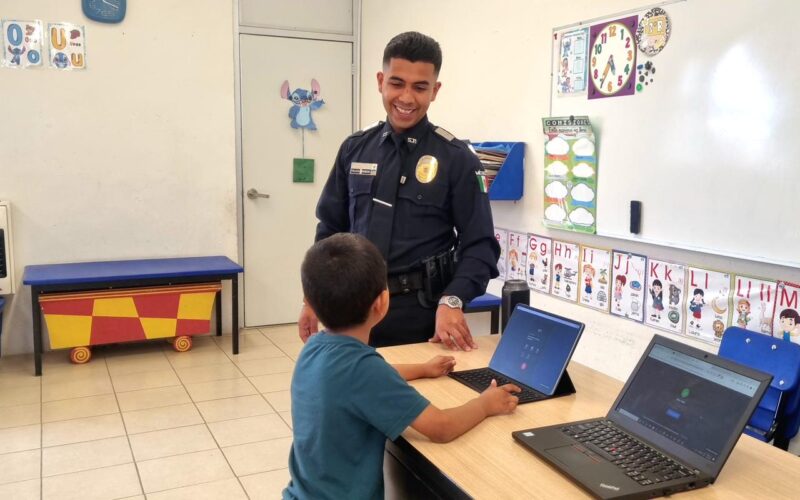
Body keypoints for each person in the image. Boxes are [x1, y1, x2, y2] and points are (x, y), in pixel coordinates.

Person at [298, 31, 500, 350]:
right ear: (381, 81)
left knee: (416, 399)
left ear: (435, 90)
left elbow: (481, 245)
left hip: (420, 318)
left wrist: (452, 300)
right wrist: (314, 298)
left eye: (420, 87)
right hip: (351, 313)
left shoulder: (457, 159)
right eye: (397, 83)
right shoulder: (355, 149)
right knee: (354, 397)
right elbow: (329, 233)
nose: (406, 98)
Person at [283, 233, 519, 500]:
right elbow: (441, 427)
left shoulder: (315, 349)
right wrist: (486, 404)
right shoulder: (364, 371)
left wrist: (423, 368)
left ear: (311, 303)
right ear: (382, 303)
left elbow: (374, 379)